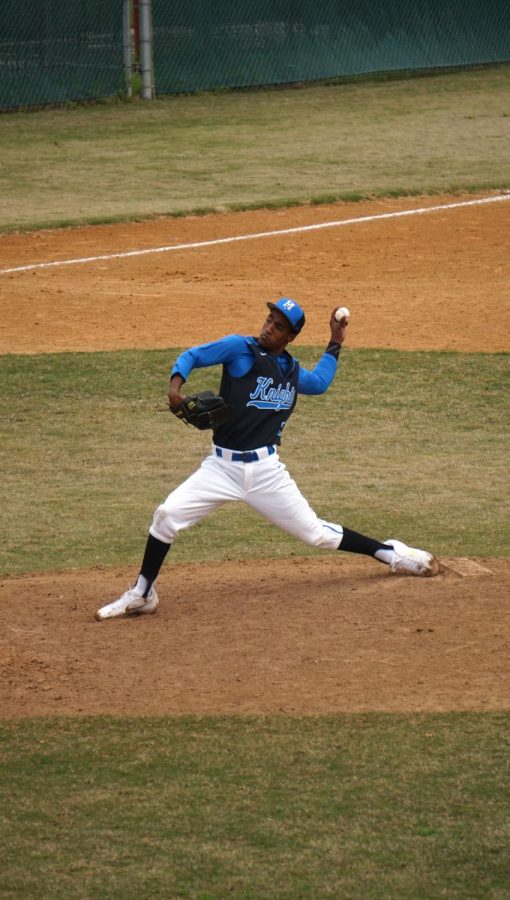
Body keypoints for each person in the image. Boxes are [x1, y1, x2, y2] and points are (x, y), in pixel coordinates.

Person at [95, 298, 439, 620]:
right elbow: (193, 355)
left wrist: (335, 341)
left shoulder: (290, 371)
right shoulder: (240, 349)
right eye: (269, 319)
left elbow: (319, 383)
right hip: (221, 469)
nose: (269, 327)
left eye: (278, 326)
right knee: (167, 516)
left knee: (316, 534)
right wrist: (175, 387)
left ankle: (392, 553)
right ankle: (143, 593)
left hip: (266, 473)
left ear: (290, 336)